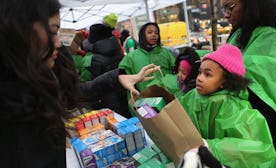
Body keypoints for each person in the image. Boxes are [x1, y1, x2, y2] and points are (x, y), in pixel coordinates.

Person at [0, 0, 159, 167]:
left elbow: (75, 92)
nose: (59, 43)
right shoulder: (15, 111)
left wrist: (116, 78)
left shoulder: (35, 86)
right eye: (53, 31)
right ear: (19, 29)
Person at [222, 0, 276, 152]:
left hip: (268, 113)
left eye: (231, 7)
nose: (226, 15)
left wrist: (222, 64)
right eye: (224, 9)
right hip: (248, 115)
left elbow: (270, 69)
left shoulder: (270, 35)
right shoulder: (239, 33)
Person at [179, 44, 276, 168]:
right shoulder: (192, 97)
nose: (199, 78)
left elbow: (254, 148)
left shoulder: (236, 108)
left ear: (224, 81)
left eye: (207, 74)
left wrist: (210, 146)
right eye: (200, 72)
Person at [118, 22, 176, 92]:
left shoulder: (166, 53)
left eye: (156, 33)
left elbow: (175, 72)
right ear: (142, 35)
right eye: (150, 32)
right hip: (144, 98)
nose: (154, 35)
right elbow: (124, 77)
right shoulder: (131, 57)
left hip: (167, 95)